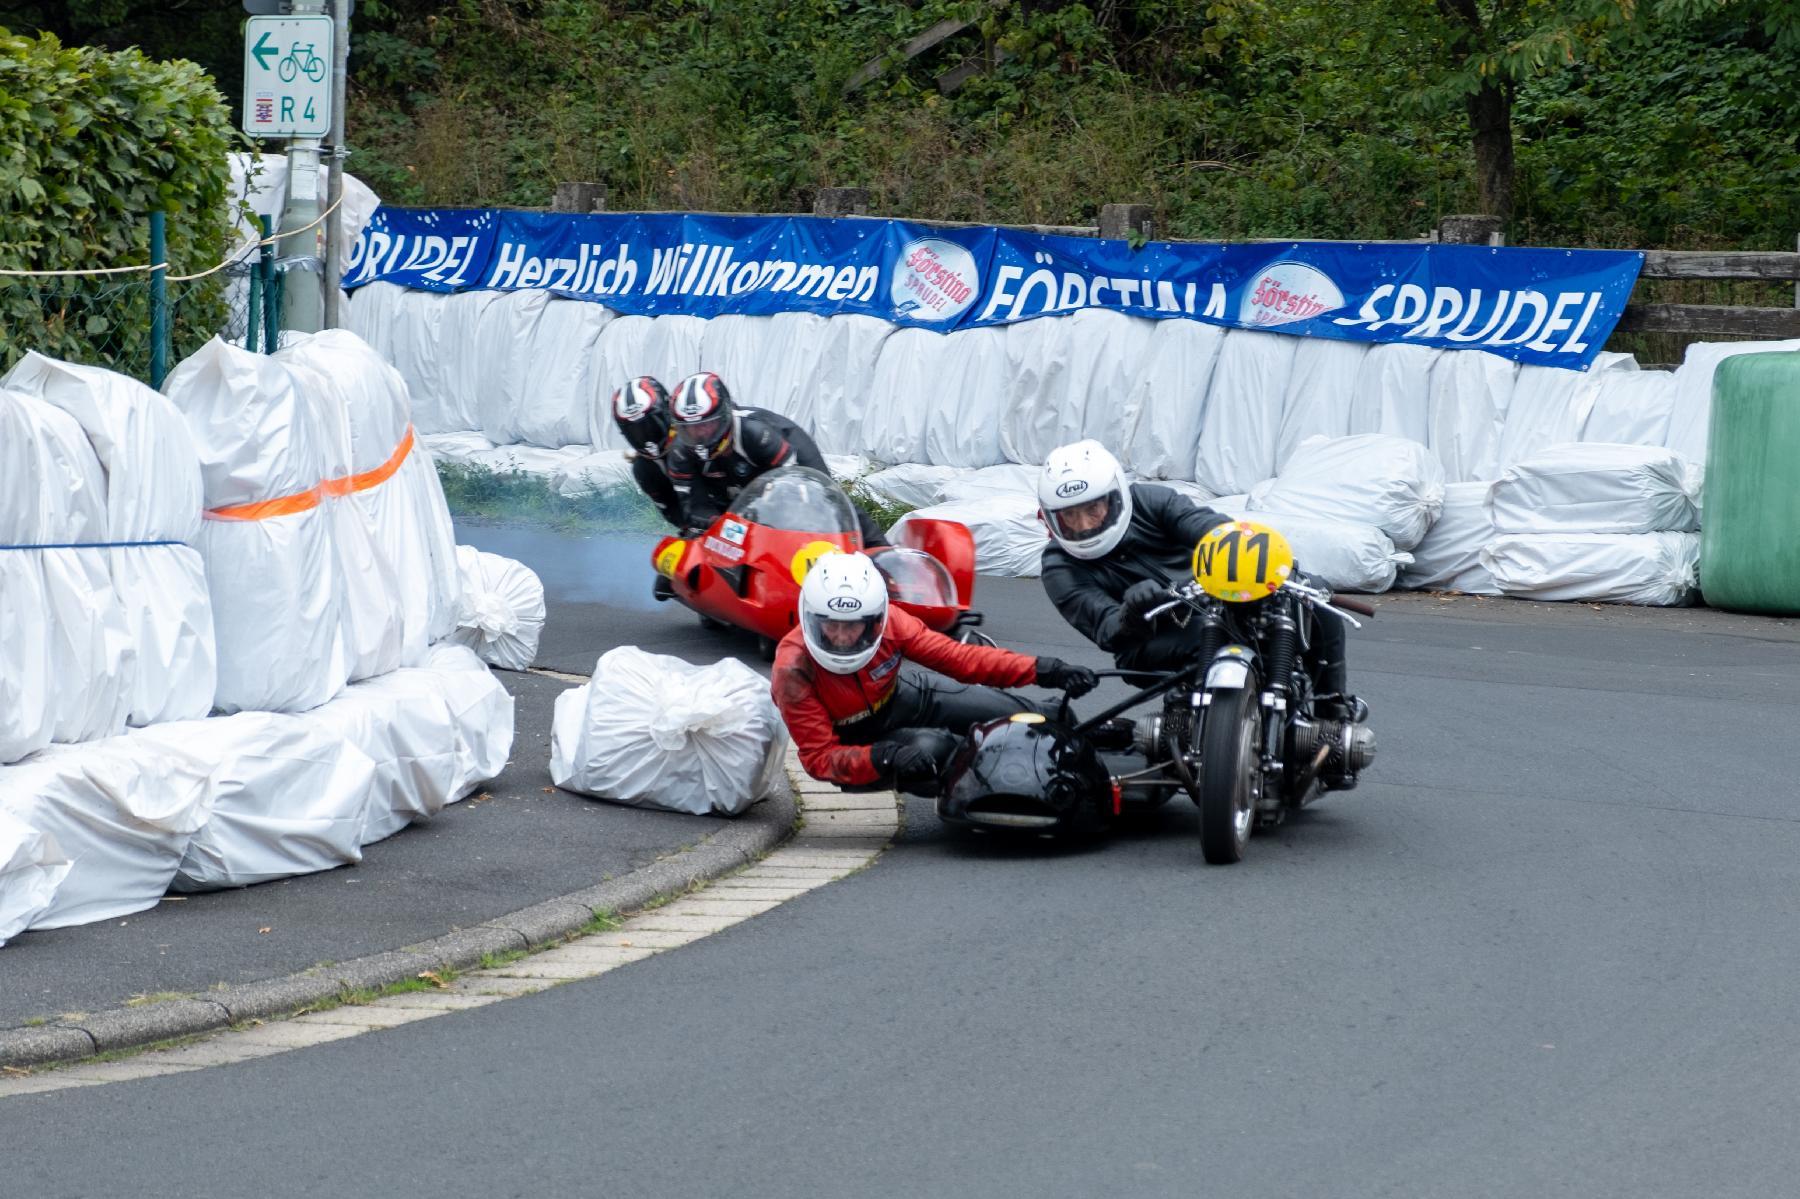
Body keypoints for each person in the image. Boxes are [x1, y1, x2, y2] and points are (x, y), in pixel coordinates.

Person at [1036, 439, 1364, 720]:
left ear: (1115, 496)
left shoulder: (1151, 502)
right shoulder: (1058, 566)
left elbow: (1216, 532)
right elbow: (1105, 629)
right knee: (1214, 635)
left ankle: (1331, 709)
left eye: (1093, 509)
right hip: (1150, 640)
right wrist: (1131, 612)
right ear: (1053, 517)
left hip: (1224, 598)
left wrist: (1278, 569)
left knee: (1315, 610)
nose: (1084, 524)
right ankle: (1189, 718)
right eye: (1070, 516)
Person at [772, 551, 1099, 794]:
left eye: (854, 626)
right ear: (812, 619)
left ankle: (1099, 737)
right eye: (832, 625)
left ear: (874, 619)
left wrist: (1044, 670)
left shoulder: (893, 625)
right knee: (936, 750)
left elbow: (961, 659)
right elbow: (820, 758)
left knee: (1023, 715)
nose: (843, 638)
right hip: (861, 740)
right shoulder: (793, 668)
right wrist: (883, 757)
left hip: (903, 697)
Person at [666, 371, 889, 546]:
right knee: (703, 529)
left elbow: (795, 495)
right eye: (691, 428)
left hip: (788, 457)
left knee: (828, 500)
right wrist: (723, 529)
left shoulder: (756, 435)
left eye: (706, 424)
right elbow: (695, 508)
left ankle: (880, 550)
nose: (700, 435)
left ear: (724, 415)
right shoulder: (680, 451)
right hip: (736, 480)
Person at [611, 376, 688, 531]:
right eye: (636, 432)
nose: (646, 436)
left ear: (667, 412)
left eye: (651, 425)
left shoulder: (697, 439)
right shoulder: (643, 469)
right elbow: (673, 512)